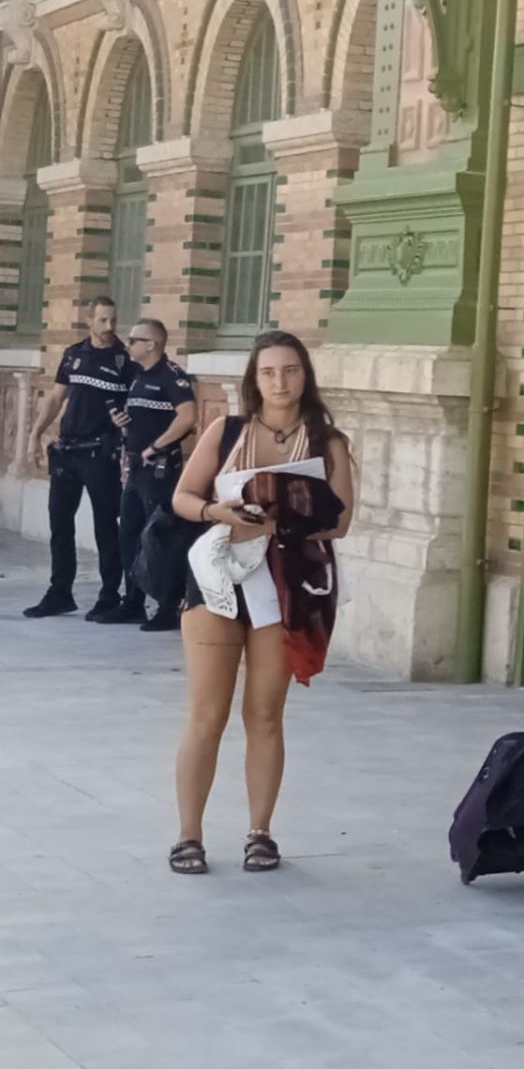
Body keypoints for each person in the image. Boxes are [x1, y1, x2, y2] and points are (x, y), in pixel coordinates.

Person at [166, 330, 354, 875]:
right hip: (218, 580)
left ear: (305, 375)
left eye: (290, 370)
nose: (280, 381)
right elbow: (183, 496)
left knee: (265, 715)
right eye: (269, 372)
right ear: (254, 379)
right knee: (206, 714)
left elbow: (340, 521)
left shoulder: (328, 441)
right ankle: (188, 836)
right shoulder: (226, 431)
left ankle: (259, 833)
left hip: (288, 584)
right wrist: (221, 514)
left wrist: (284, 514)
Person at [24, 296, 132, 621]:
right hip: (67, 451)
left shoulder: (123, 360)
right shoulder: (73, 355)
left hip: (101, 453)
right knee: (60, 524)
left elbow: (134, 404)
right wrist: (34, 435)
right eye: (102, 320)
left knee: (105, 527)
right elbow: (56, 397)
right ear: (89, 320)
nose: (109, 327)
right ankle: (60, 593)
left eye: (113, 320)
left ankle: (110, 594)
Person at [107, 319, 198, 629]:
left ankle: (167, 607)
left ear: (152, 344)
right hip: (135, 470)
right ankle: (133, 602)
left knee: (161, 537)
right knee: (129, 535)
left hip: (160, 470)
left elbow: (187, 417)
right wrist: (125, 427)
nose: (128, 344)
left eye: (134, 339)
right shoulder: (138, 377)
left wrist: (155, 447)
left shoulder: (171, 376)